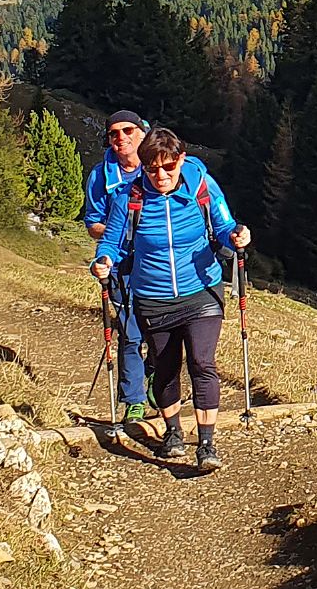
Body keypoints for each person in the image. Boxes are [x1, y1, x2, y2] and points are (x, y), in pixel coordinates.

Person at [91, 127, 251, 472]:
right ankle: (173, 432)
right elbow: (112, 245)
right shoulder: (128, 198)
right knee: (164, 368)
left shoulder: (201, 186)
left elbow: (224, 226)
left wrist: (237, 234)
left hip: (202, 291)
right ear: (144, 166)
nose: (160, 175)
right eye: (152, 168)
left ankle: (206, 443)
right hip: (152, 296)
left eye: (168, 167)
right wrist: (102, 261)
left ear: (181, 160)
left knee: (202, 363)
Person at [78, 111, 163, 444]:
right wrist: (121, 231)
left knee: (162, 329)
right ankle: (134, 402)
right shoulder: (102, 176)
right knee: (129, 332)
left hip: (158, 263)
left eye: (128, 130)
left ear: (142, 133)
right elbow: (93, 224)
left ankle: (159, 383)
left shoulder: (158, 165)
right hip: (122, 264)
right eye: (114, 134)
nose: (121, 138)